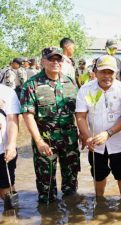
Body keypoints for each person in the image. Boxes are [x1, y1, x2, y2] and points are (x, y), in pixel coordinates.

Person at [20, 47, 80, 203]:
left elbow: (79, 112)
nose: (55, 62)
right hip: (46, 142)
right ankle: (49, 216)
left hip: (70, 141)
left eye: (58, 59)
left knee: (71, 186)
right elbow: (28, 115)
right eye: (51, 59)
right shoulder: (32, 84)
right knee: (46, 187)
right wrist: (39, 141)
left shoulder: (70, 82)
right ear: (42, 61)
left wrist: (84, 134)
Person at [76, 55, 121, 199]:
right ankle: (100, 202)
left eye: (110, 72)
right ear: (95, 72)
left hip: (119, 142)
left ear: (116, 73)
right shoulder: (85, 89)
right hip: (95, 143)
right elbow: (81, 116)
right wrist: (87, 136)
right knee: (98, 174)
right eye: (103, 72)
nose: (107, 76)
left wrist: (109, 133)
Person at [0, 84, 20, 202]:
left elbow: (12, 120)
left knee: (7, 191)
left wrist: (12, 144)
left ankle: (12, 219)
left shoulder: (7, 92)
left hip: (3, 149)